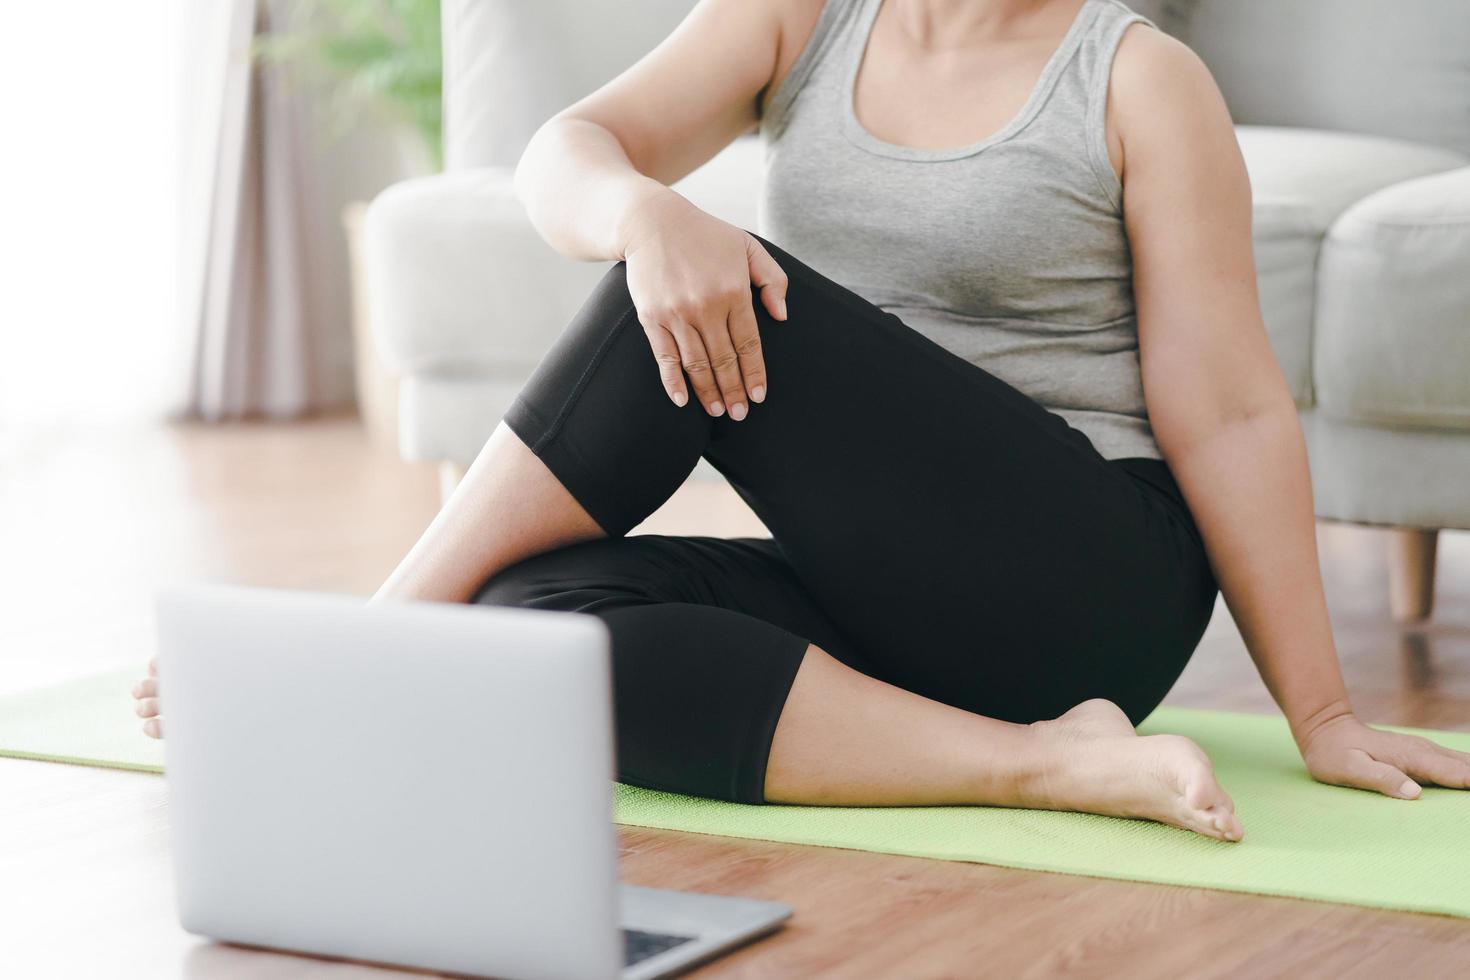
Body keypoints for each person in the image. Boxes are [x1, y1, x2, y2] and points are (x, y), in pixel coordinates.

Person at [135, 0, 1470, 840]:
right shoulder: (802, 16)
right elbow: (566, 152)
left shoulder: (1134, 75)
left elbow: (1231, 409)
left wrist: (1321, 712)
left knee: (693, 294)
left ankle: (354, 661)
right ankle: (1041, 765)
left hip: (1091, 580)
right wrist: (642, 209)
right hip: (901, 602)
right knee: (525, 624)